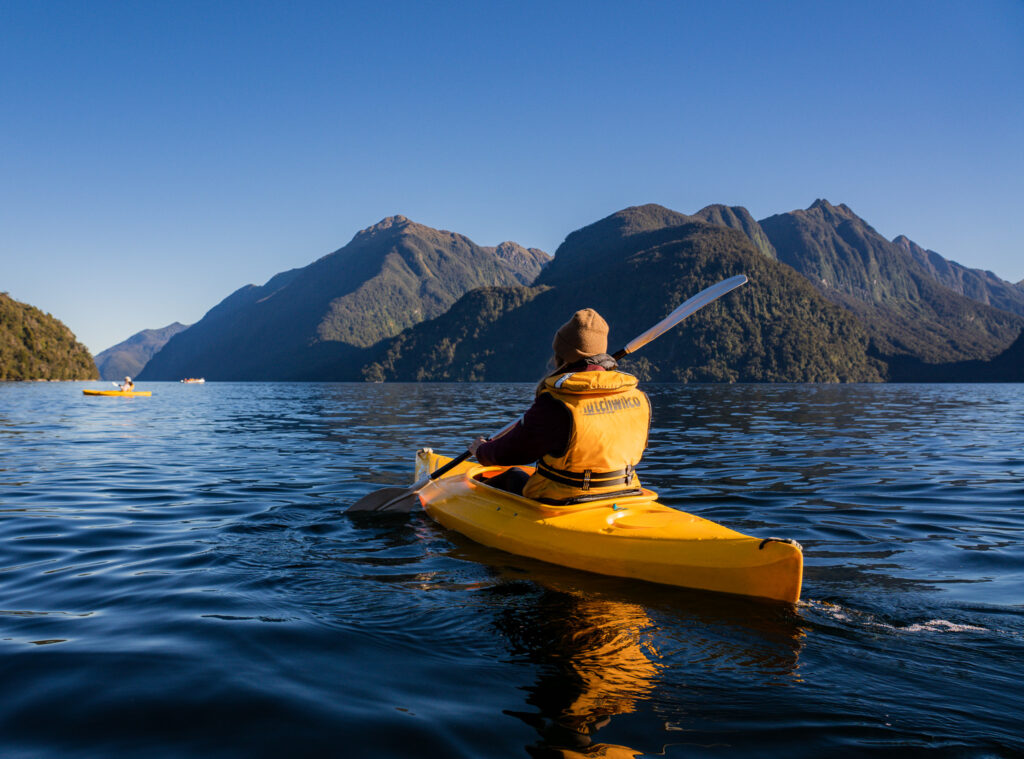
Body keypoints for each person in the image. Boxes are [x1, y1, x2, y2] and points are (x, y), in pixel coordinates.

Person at [468, 308, 651, 504]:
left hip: (565, 500)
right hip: (626, 492)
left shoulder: (556, 402)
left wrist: (482, 451)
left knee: (512, 476)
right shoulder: (638, 398)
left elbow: (515, 450)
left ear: (562, 356)